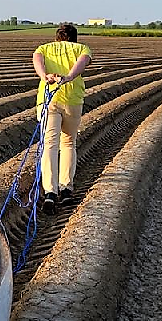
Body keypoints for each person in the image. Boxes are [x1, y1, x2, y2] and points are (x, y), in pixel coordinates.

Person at [33, 23, 92, 215]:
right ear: (74, 37)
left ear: (57, 37)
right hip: (72, 101)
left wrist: (45, 77)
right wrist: (69, 77)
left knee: (49, 144)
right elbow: (82, 63)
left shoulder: (44, 48)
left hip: (48, 100)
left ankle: (50, 192)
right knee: (68, 143)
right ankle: (66, 188)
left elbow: (37, 59)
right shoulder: (82, 48)